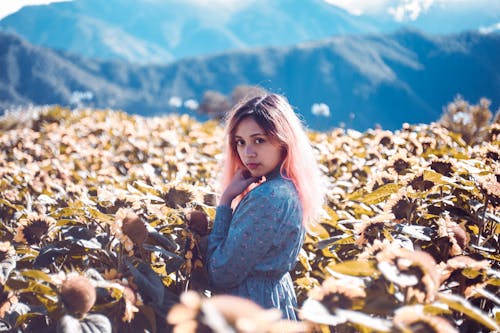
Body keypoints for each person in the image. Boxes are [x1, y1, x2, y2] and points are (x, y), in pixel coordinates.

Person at [205, 93, 324, 320]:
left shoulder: (269, 196)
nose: (248, 152)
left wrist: (225, 203)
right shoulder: (288, 188)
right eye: (240, 142)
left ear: (283, 141)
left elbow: (222, 272)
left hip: (251, 312)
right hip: (272, 303)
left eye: (259, 140)